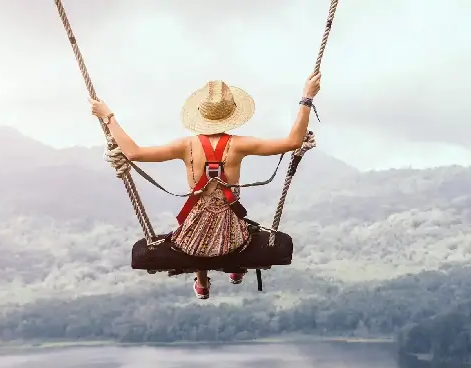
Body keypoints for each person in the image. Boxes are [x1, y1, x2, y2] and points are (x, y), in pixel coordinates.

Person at [89, 73, 321, 299]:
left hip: (192, 241)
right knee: (240, 225)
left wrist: (109, 117)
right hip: (232, 239)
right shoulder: (240, 145)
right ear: (231, 114)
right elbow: (293, 142)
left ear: (201, 114)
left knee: (197, 232)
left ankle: (201, 283)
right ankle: (236, 268)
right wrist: (307, 97)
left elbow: (134, 153)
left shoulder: (185, 146)